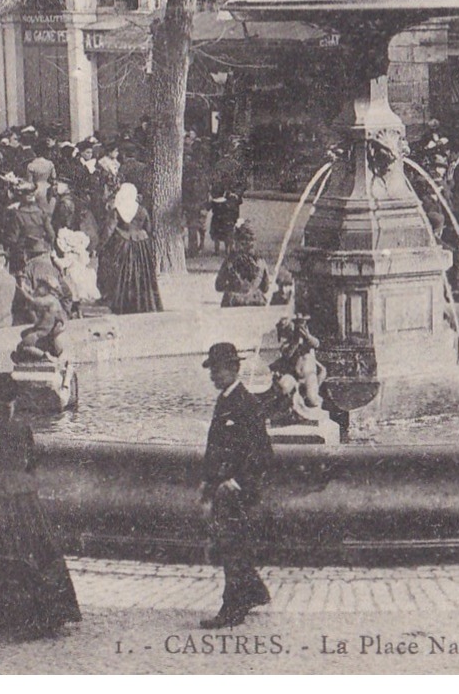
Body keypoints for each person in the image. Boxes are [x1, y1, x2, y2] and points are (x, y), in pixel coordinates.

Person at [0, 374, 81, 639]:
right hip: (23, 499)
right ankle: (43, 612)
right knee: (35, 549)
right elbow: (31, 464)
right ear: (13, 403)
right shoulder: (22, 430)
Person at [199, 343, 273, 629]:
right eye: (212, 370)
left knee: (232, 547)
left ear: (233, 369)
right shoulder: (225, 401)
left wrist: (237, 481)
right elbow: (215, 446)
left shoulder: (248, 404)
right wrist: (208, 481)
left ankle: (232, 608)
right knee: (230, 545)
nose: (213, 376)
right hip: (222, 488)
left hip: (238, 491)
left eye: (217, 369)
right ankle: (253, 592)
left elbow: (262, 453)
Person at [102, 183, 162, 314]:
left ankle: (123, 302)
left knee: (123, 273)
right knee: (142, 273)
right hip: (141, 244)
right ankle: (142, 302)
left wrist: (102, 244)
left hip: (124, 243)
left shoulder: (117, 210)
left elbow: (109, 229)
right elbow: (149, 228)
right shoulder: (141, 210)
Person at [215, 222, 271, 307]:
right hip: (255, 301)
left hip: (234, 302)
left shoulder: (230, 260)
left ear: (238, 241)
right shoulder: (261, 261)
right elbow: (265, 288)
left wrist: (233, 286)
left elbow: (218, 286)